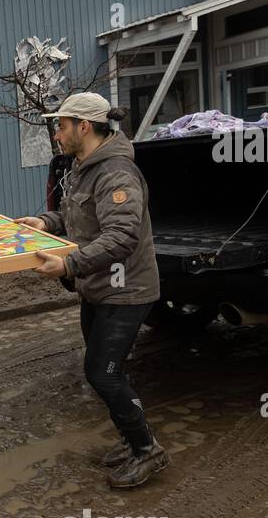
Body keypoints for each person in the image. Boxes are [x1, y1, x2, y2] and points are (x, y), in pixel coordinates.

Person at [18, 93, 169, 489]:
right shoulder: (84, 167)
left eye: (61, 125)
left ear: (84, 126)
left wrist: (69, 264)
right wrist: (46, 223)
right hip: (98, 288)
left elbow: (121, 236)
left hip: (127, 290)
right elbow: (79, 217)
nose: (56, 133)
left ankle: (147, 450)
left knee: (102, 373)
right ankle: (133, 438)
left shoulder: (116, 172)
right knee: (107, 371)